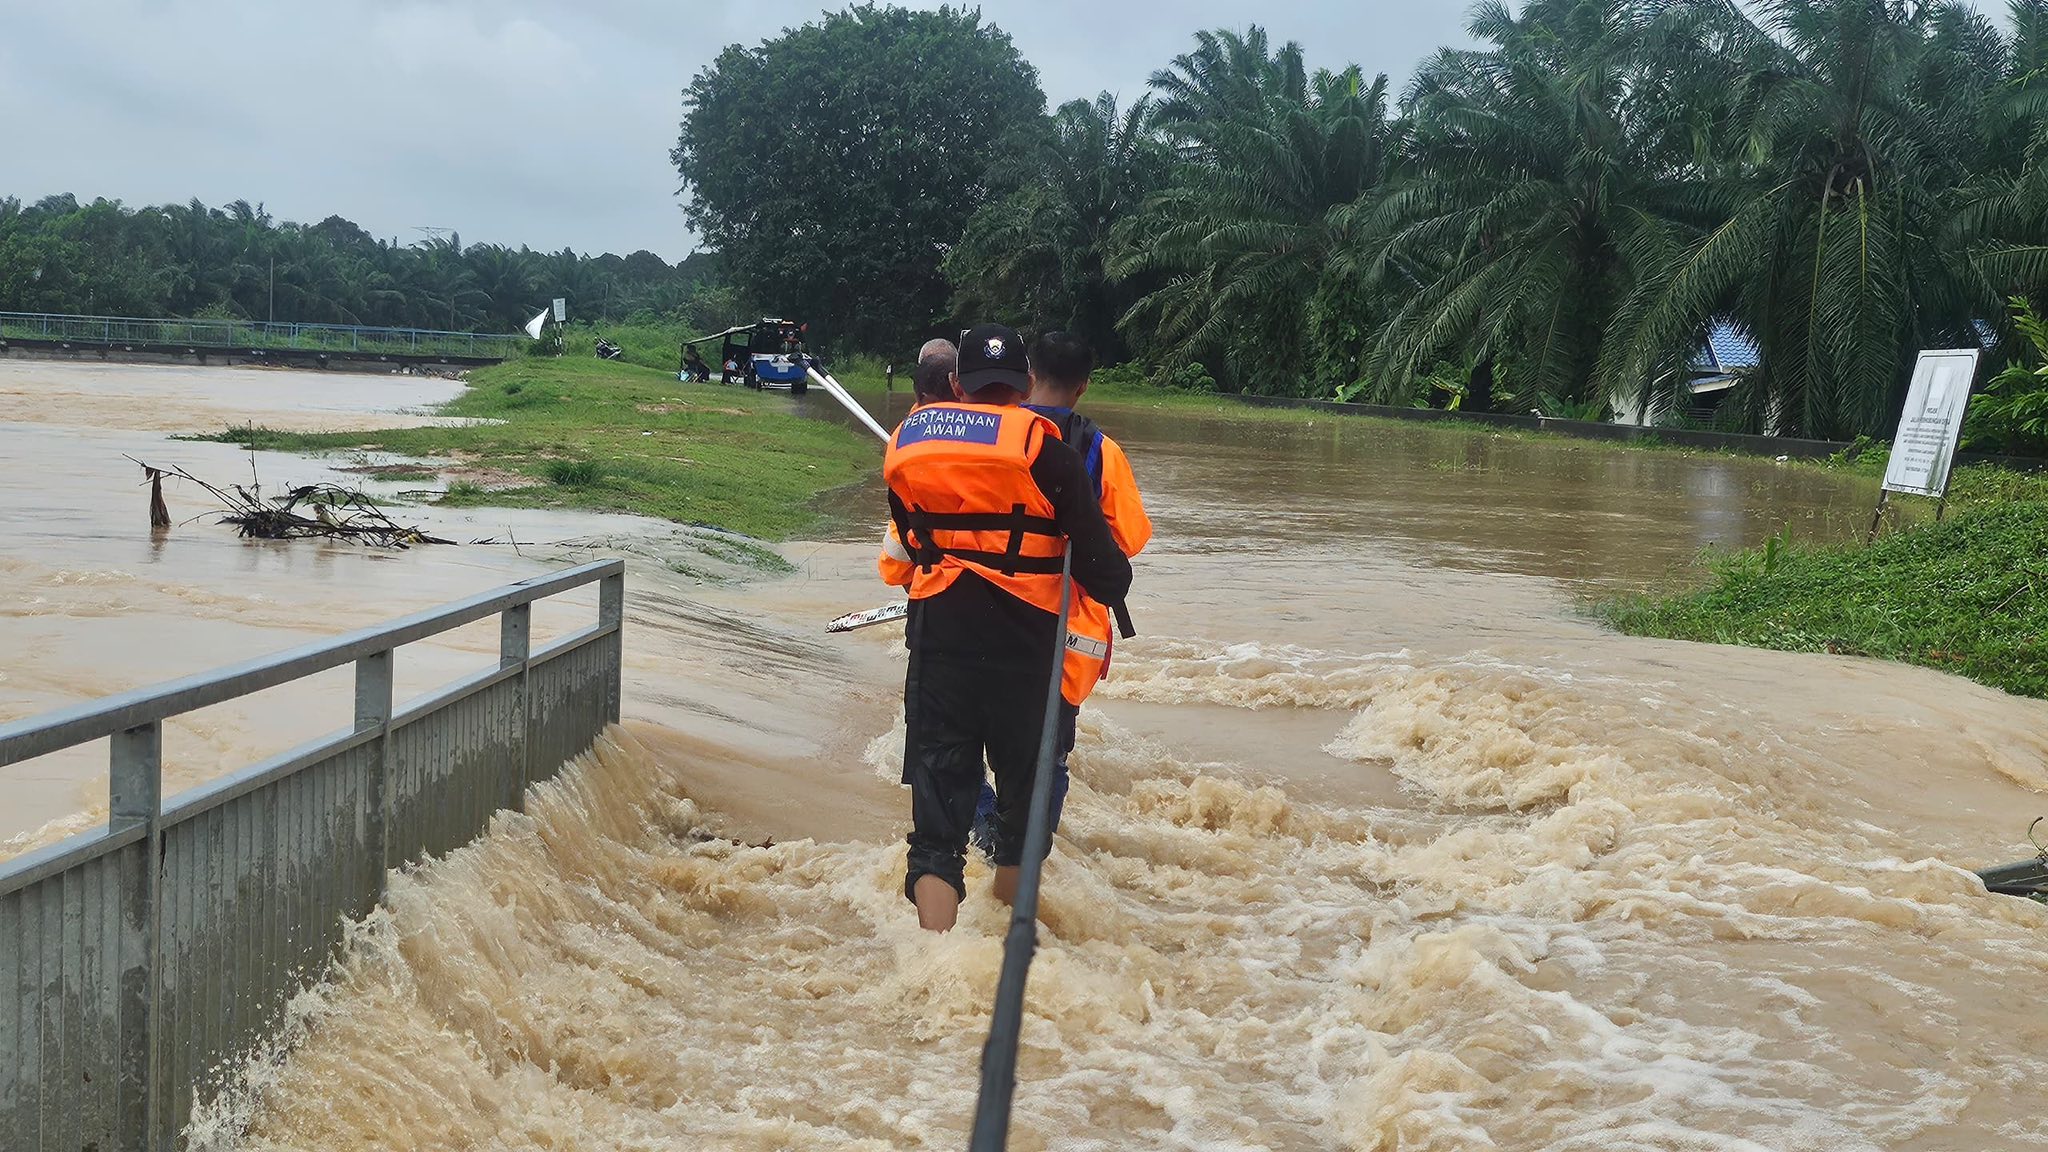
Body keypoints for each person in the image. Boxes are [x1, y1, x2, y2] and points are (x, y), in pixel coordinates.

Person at [883, 323, 1131, 932]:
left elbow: (908, 548)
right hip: (1027, 654)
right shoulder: (1052, 453)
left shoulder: (911, 446)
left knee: (937, 825)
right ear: (1022, 386)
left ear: (958, 385)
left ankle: (936, 967)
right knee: (1022, 820)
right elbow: (1108, 577)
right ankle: (1009, 929)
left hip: (941, 645)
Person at [966, 330, 1152, 858]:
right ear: (1084, 387)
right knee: (1046, 755)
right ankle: (1023, 855)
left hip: (976, 614)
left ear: (1027, 379)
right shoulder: (1101, 451)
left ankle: (985, 829)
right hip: (1063, 633)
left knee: (968, 743)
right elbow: (1130, 539)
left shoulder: (988, 433)